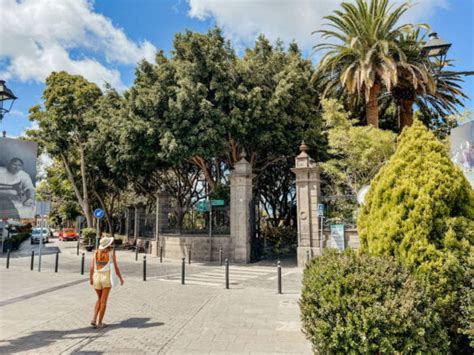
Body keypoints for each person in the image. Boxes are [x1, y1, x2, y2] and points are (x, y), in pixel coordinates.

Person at [89, 235, 124, 329]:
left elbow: (92, 267)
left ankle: (93, 319)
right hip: (106, 277)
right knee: (103, 301)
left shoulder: (96, 252)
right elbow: (116, 267)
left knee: (99, 299)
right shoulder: (111, 254)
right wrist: (120, 278)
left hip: (96, 277)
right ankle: (100, 323)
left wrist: (91, 278)